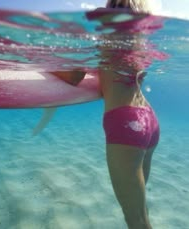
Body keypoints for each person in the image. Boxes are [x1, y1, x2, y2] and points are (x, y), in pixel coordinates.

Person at [54, 0, 160, 228]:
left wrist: (50, 68)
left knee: (136, 219)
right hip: (149, 120)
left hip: (127, 126)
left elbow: (74, 77)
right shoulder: (141, 42)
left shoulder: (104, 39)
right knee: (140, 210)